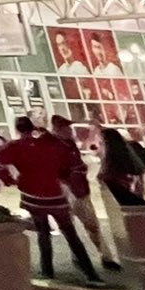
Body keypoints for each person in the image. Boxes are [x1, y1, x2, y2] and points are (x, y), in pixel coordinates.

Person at [0, 115, 103, 286]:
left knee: (43, 233)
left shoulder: (16, 146)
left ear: (17, 129)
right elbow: (76, 165)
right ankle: (90, 272)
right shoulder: (52, 144)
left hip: (33, 196)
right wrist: (68, 180)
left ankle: (47, 271)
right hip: (55, 194)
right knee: (70, 234)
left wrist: (11, 180)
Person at [49, 116, 120, 271]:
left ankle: (104, 256)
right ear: (58, 129)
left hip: (80, 189)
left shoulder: (69, 144)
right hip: (67, 189)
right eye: (66, 128)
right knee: (74, 226)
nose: (70, 131)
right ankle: (83, 257)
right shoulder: (54, 146)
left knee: (91, 225)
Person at [98, 126, 145, 209]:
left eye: (101, 143)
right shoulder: (127, 158)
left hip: (124, 203)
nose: (99, 147)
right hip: (132, 203)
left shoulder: (114, 164)